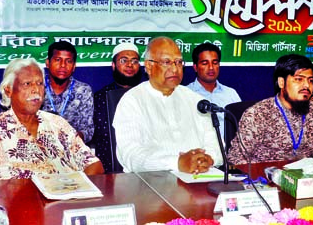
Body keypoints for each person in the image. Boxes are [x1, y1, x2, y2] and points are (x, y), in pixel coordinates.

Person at [0, 58, 103, 181]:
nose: (36, 90)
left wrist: (75, 189)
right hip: (13, 203)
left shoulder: (58, 124)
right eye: (27, 84)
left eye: (39, 83)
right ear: (8, 90)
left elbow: (94, 166)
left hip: (62, 200)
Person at [113, 37, 222, 173]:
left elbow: (217, 144)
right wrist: (177, 163)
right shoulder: (132, 101)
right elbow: (132, 157)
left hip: (199, 178)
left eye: (178, 62)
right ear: (149, 66)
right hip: (151, 184)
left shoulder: (195, 99)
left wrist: (207, 159)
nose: (175, 69)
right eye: (166, 62)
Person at [227, 54, 313, 165]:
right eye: (299, 79)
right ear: (281, 82)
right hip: (267, 177)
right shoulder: (258, 114)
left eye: (310, 80)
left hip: (305, 177)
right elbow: (235, 158)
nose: (307, 86)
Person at [90, 42, 142, 173]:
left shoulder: (147, 94)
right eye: (124, 60)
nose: (130, 65)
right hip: (108, 170)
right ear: (113, 66)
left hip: (143, 167)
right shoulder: (100, 97)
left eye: (134, 61)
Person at [41, 41, 94, 143]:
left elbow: (88, 130)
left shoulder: (83, 90)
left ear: (74, 66)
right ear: (48, 63)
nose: (63, 65)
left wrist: (71, 139)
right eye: (58, 60)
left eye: (68, 61)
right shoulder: (36, 87)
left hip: (72, 149)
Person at [187, 42, 241, 141]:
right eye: (205, 63)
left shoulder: (231, 94)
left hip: (227, 154)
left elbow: (241, 128)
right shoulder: (186, 94)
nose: (211, 67)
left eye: (215, 62)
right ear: (195, 67)